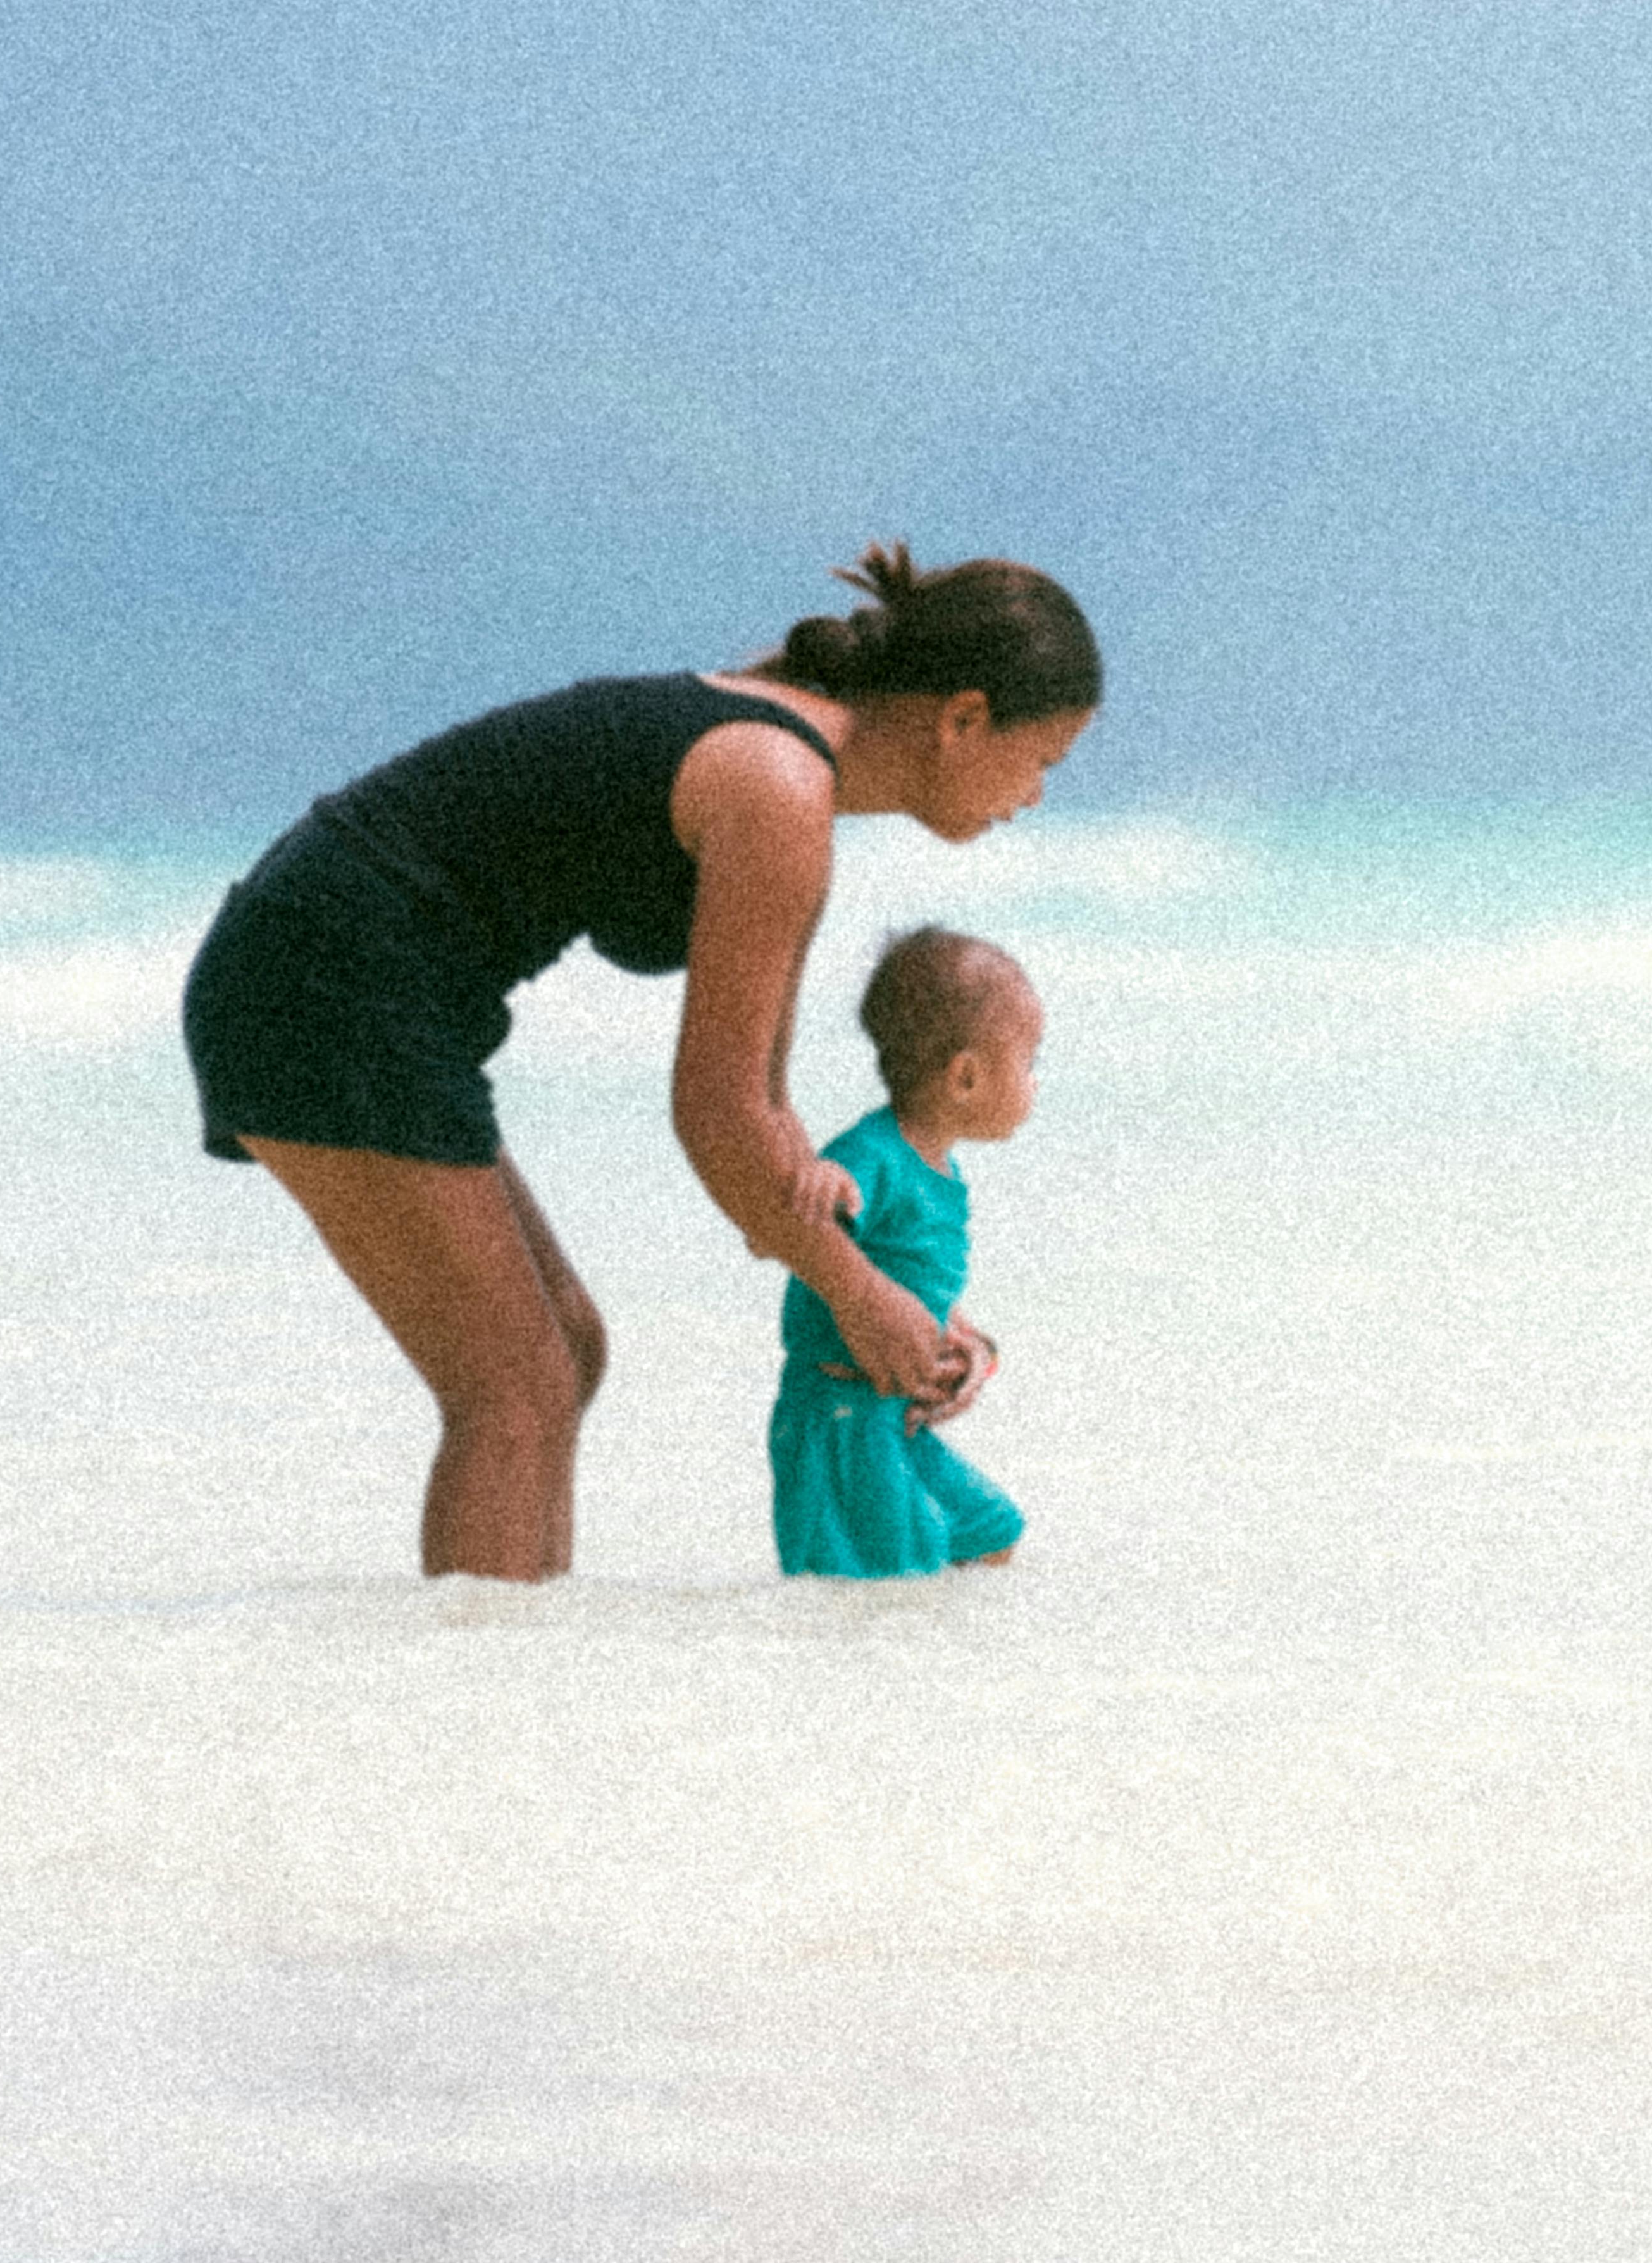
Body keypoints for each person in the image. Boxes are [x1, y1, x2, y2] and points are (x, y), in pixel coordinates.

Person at [180, 546, 1100, 1581]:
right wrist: (853, 1295)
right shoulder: (777, 784)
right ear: (963, 715)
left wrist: (905, 1290)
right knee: (514, 1387)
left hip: (359, 975)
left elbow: (765, 1113)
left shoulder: (794, 777)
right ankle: (471, 1716)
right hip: (326, 974)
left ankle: (518, 1675)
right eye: (1044, 759)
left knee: (563, 1350)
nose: (1033, 795)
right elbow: (714, 1116)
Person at [768, 928, 1040, 1579]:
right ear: (966, 1077)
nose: (1034, 1081)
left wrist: (968, 1343)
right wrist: (823, 1183)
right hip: (838, 1417)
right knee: (889, 1577)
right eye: (1029, 1062)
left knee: (987, 1532)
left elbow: (908, 1274)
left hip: (892, 1414)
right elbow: (797, 1223)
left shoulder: (936, 1165)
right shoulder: (872, 1155)